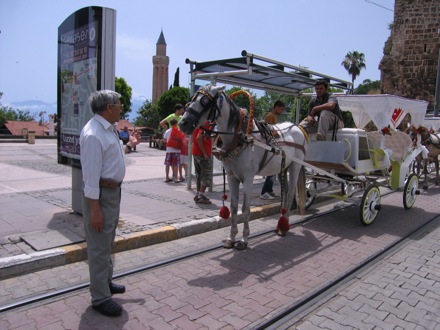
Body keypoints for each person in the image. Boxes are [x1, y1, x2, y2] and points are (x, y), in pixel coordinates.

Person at [80, 90, 126, 317]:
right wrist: (94, 210)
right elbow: (90, 177)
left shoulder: (108, 129)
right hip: (101, 196)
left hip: (112, 193)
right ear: (109, 107)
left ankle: (105, 283)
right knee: (99, 247)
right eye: (119, 104)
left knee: (107, 242)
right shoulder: (93, 134)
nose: (122, 107)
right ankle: (100, 297)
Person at [260, 100, 284, 200]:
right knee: (271, 170)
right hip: (270, 146)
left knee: (273, 171)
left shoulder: (273, 117)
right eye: (281, 109)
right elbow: (270, 131)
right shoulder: (270, 116)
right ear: (276, 107)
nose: (282, 111)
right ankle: (264, 191)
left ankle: (269, 190)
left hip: (272, 146)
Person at [192, 122, 213, 204]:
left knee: (199, 175)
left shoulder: (199, 122)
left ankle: (198, 194)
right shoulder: (206, 123)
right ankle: (201, 195)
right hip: (202, 154)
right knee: (207, 174)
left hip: (196, 152)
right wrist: (204, 153)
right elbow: (198, 138)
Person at [163, 118, 184, 183]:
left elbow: (164, 140)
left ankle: (167, 177)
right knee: (176, 164)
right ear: (177, 123)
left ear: (170, 124)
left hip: (169, 150)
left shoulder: (167, 131)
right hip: (176, 150)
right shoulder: (179, 131)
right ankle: (175, 178)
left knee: (167, 164)